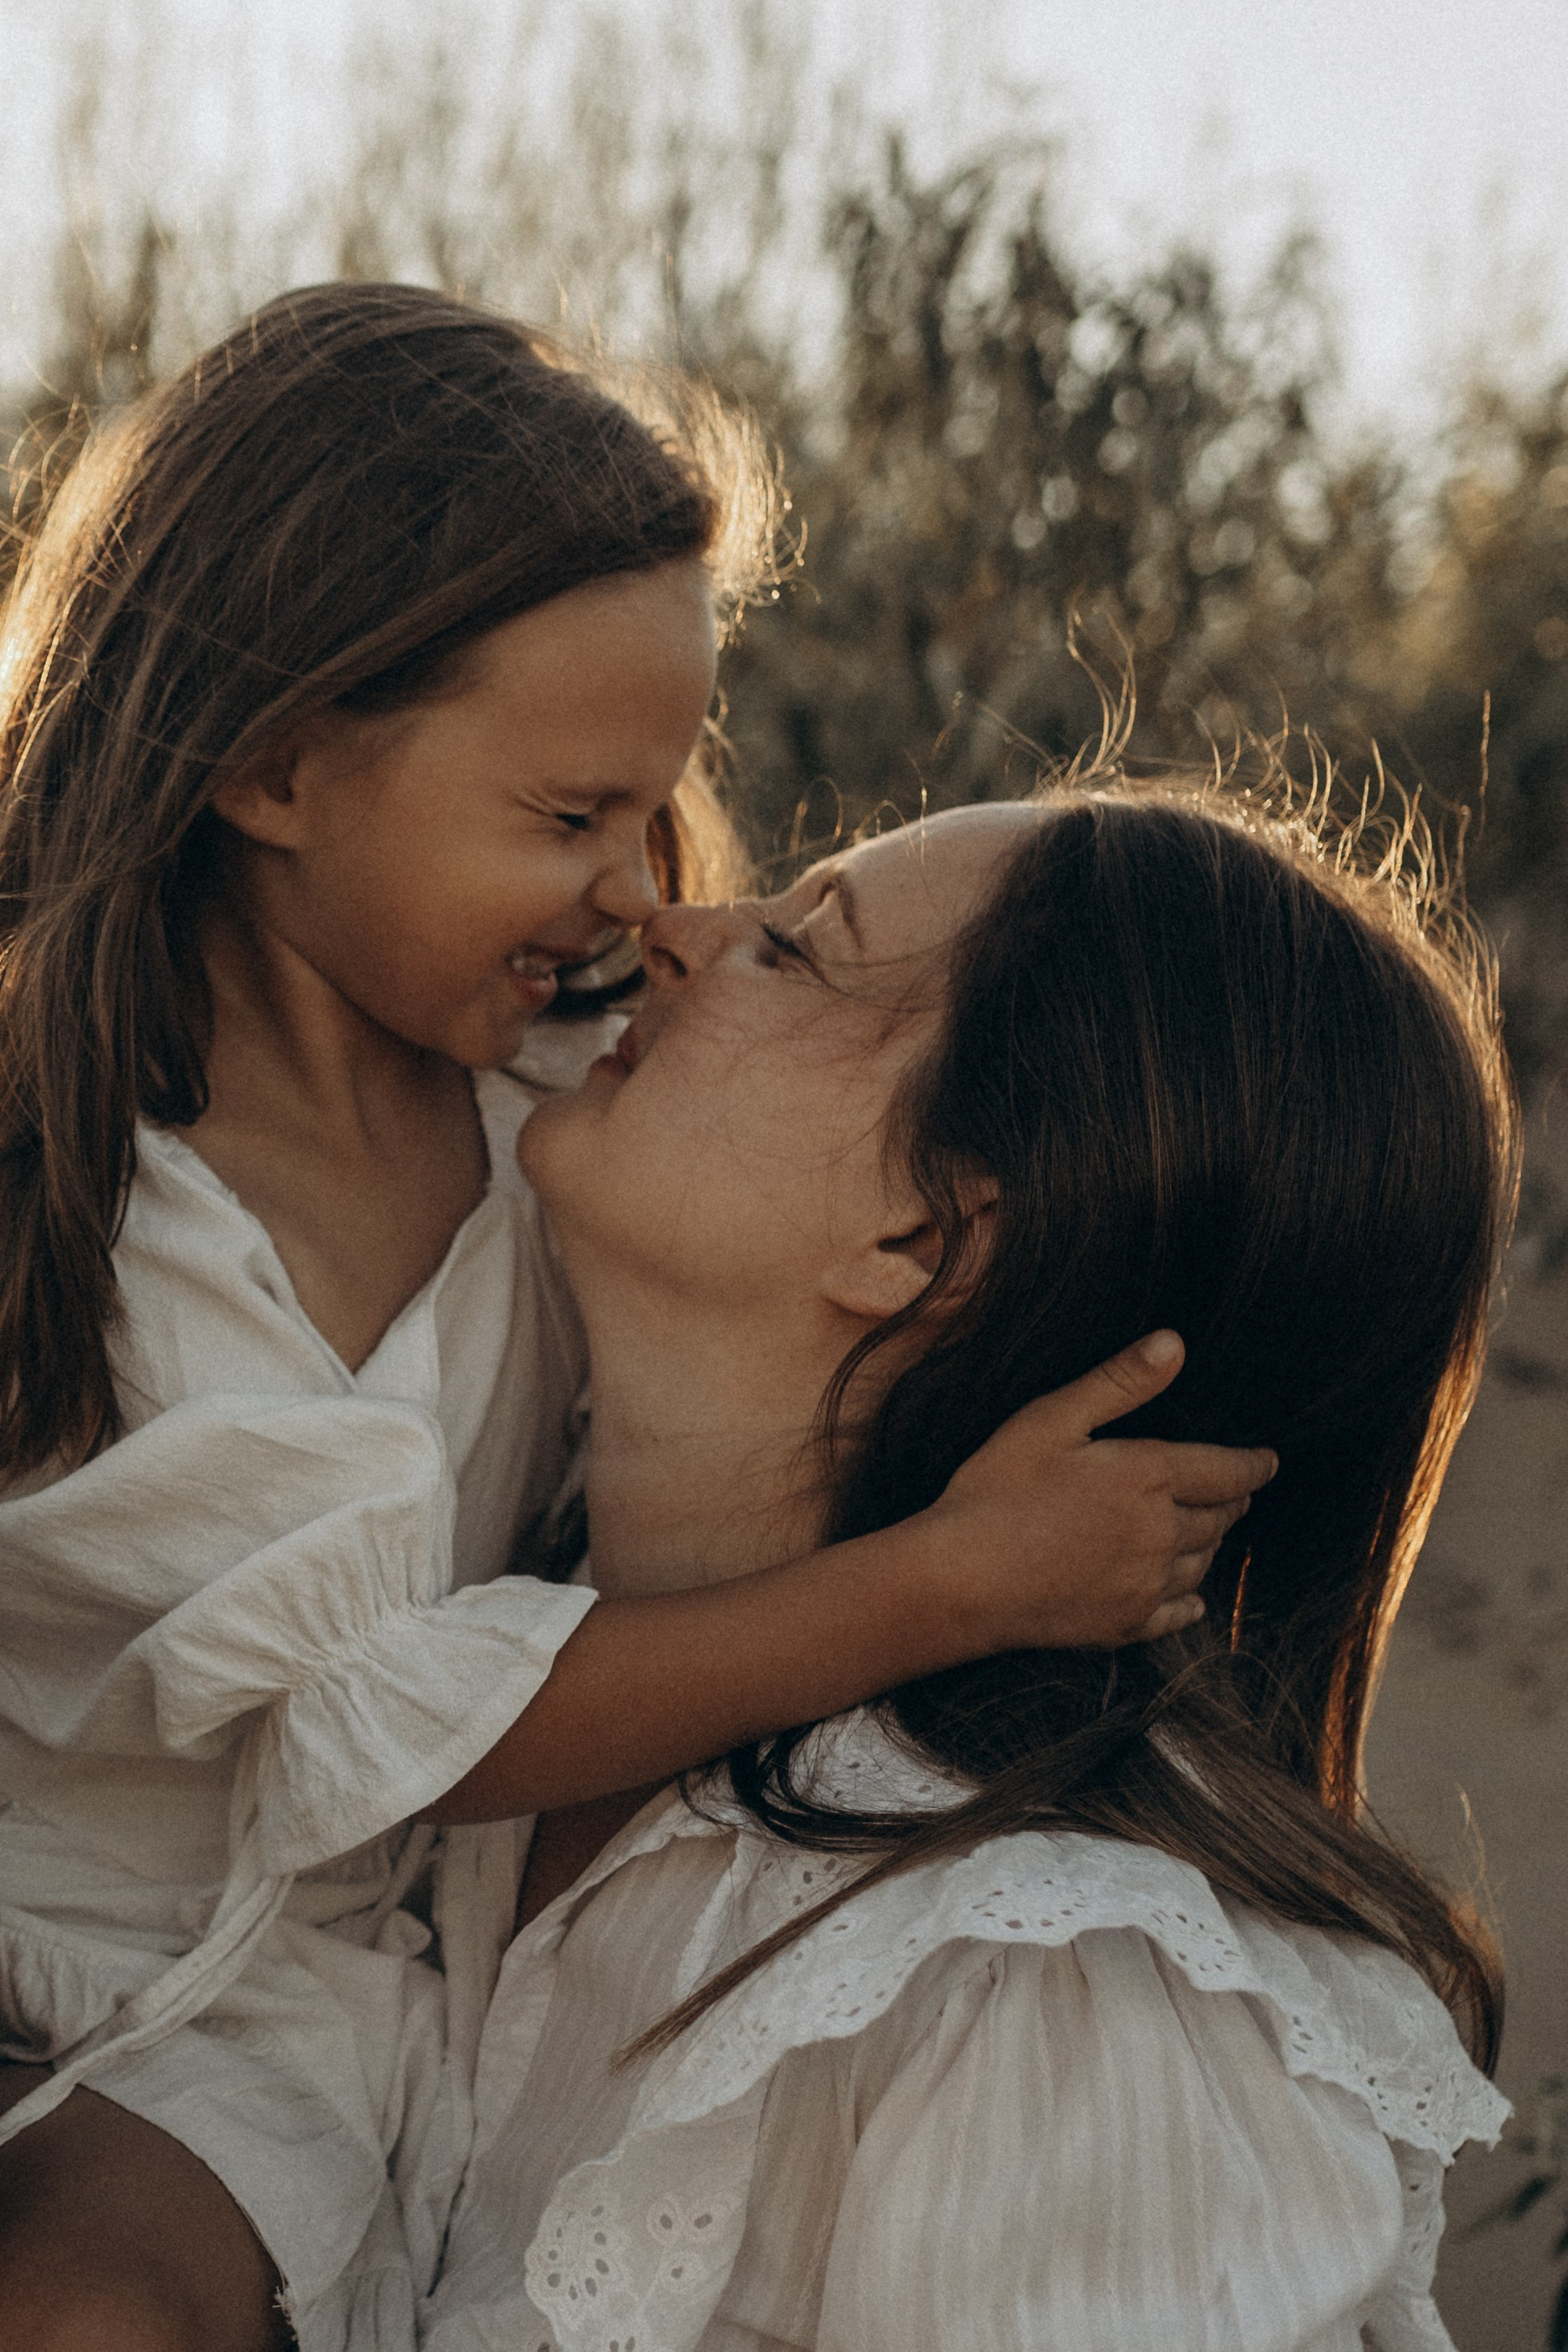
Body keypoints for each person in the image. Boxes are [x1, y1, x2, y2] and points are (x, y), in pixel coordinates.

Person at [0, 286, 1267, 2352]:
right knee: (79, 2315)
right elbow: (401, 1729)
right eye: (566, 815)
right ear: (274, 765)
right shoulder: (99, 1198)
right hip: (133, 1973)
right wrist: (950, 1579)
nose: (635, 894)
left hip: (393, 1975)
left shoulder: (536, 1118)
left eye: (651, 808)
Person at [424, 774, 1517, 2352]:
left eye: (793, 948)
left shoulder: (1045, 2000)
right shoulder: (428, 1606)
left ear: (923, 1236)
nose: (671, 925)